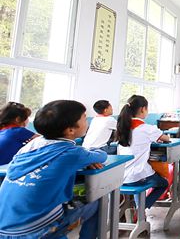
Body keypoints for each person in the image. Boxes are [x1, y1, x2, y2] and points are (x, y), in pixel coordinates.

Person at [0, 100, 107, 238]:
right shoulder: (73, 153)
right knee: (95, 202)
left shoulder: (29, 146)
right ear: (70, 130)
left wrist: (83, 157)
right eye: (85, 118)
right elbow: (102, 156)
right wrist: (88, 155)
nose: (87, 122)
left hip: (3, 227)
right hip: (33, 231)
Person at [117, 95, 170, 209]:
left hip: (121, 175)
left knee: (141, 176)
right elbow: (166, 138)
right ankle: (141, 208)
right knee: (163, 183)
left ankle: (138, 209)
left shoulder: (122, 127)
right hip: (138, 175)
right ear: (142, 109)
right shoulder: (147, 128)